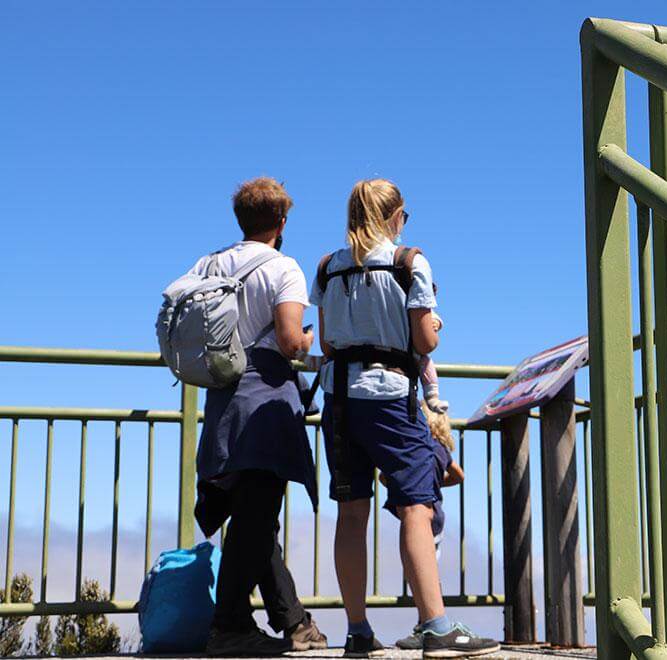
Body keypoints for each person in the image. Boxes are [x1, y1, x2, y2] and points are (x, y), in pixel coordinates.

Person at [310, 178, 499, 658]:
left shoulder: (328, 268)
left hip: (339, 399)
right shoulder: (408, 262)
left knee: (351, 512)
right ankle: (435, 627)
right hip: (390, 398)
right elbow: (425, 343)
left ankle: (357, 630)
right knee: (416, 505)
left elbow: (327, 345)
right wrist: (432, 324)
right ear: (394, 217)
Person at [191, 177, 327, 656]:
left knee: (254, 514)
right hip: (265, 400)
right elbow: (291, 341)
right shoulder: (282, 267)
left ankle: (296, 624)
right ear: (282, 222)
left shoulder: (209, 263)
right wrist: (312, 340)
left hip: (222, 398)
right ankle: (228, 624)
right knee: (258, 510)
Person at [391, 403, 463, 651]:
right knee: (428, 569)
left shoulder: (414, 448)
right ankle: (429, 621)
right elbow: (459, 476)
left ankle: (427, 623)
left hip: (423, 519)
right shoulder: (441, 450)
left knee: (421, 571)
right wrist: (434, 482)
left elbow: (384, 477)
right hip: (435, 517)